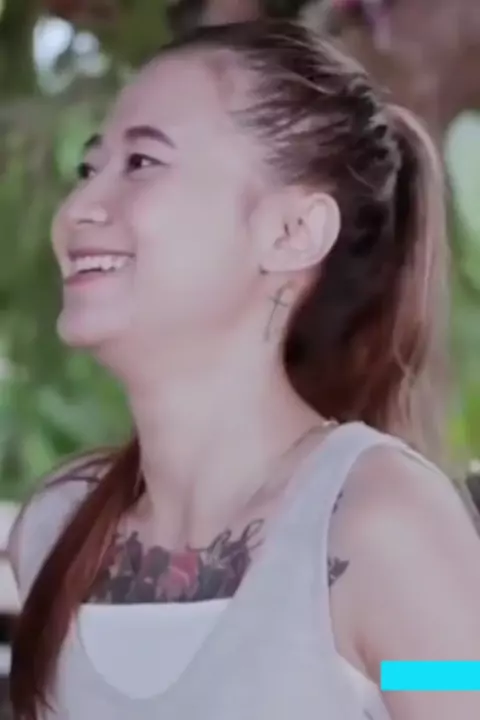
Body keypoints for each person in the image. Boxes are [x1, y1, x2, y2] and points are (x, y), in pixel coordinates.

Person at [7, 18, 480, 720]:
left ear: (292, 233)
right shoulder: (56, 530)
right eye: (89, 169)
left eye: (142, 163)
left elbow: (460, 693)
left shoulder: (377, 526)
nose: (78, 210)